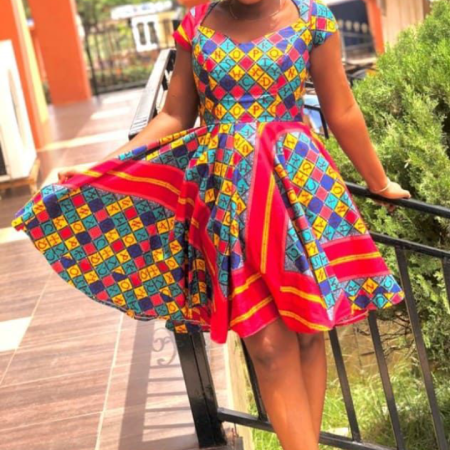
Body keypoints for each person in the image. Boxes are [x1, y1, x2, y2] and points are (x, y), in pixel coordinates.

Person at [13, 0, 411, 449]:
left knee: (305, 335)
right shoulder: (197, 22)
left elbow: (342, 109)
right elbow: (174, 115)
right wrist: (102, 167)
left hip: (296, 188)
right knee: (267, 347)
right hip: (226, 195)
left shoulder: (314, 19)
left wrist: (379, 182)